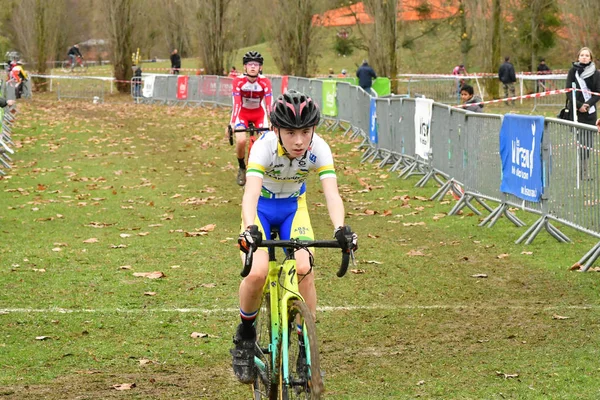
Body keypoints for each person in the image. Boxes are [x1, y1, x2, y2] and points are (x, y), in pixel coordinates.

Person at [230, 89, 358, 384]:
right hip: (261, 210)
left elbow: (332, 194)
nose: (299, 140)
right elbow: (249, 194)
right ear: (276, 129)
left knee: (304, 268)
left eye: (306, 131)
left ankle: (305, 349)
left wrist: (340, 228)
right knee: (257, 271)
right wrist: (249, 229)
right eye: (290, 132)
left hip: (292, 209)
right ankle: (245, 337)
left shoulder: (320, 149)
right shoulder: (263, 147)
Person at [229, 51, 272, 186]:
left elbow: (269, 105)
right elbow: (236, 103)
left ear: (260, 68)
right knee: (241, 140)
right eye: (249, 64)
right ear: (245, 67)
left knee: (266, 141)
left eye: (256, 64)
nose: (253, 67)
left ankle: (263, 169)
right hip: (243, 113)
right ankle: (242, 167)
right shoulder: (238, 81)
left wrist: (272, 122)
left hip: (259, 113)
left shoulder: (265, 82)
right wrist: (231, 123)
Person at [566, 47, 600, 180]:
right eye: (582, 55)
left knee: (588, 142)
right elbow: (569, 91)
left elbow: (598, 92)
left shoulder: (596, 74)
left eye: (587, 55)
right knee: (580, 142)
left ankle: (584, 171)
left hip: (590, 112)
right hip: (576, 111)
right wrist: (579, 106)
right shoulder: (572, 71)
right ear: (578, 57)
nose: (584, 57)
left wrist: (588, 105)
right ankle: (581, 172)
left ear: (590, 58)